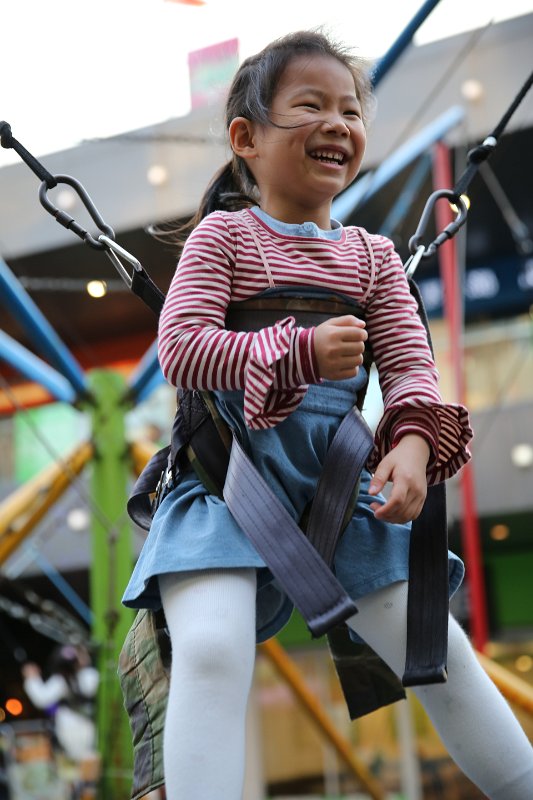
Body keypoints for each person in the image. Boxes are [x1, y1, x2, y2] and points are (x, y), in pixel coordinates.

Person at [122, 30, 533, 799]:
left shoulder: (372, 258)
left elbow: (409, 366)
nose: (337, 123)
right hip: (227, 487)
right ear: (245, 138)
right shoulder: (224, 237)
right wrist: (297, 351)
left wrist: (411, 445)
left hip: (339, 495)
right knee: (210, 649)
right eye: (309, 106)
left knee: (435, 650)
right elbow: (180, 348)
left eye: (349, 110)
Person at [22, 644, 98, 762]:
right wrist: (32, 678)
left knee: (87, 758)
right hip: (73, 727)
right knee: (86, 759)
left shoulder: (83, 676)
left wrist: (32, 678)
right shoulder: (66, 679)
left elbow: (42, 697)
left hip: (81, 726)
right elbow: (42, 698)